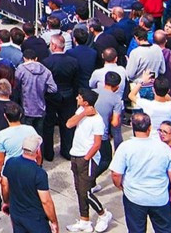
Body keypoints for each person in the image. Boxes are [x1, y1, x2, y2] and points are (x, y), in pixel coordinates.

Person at [110, 112, 171, 233]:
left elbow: (116, 173)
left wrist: (120, 186)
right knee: (164, 230)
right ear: (150, 127)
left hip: (134, 197)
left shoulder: (125, 147)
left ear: (132, 126)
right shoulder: (164, 148)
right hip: (159, 198)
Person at [67, 88, 109, 233]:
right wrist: (83, 113)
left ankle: (103, 214)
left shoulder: (98, 121)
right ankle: (84, 220)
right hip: (75, 154)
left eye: (79, 97)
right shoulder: (81, 111)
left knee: (86, 192)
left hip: (87, 158)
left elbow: (97, 144)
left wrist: (86, 158)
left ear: (86, 102)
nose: (77, 98)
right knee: (79, 190)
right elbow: (69, 124)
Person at [0, 134, 57, 233]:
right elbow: (46, 201)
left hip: (16, 215)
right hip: (36, 219)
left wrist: (6, 202)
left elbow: (4, 185)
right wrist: (54, 221)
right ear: (38, 151)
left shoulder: (10, 162)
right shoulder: (39, 173)